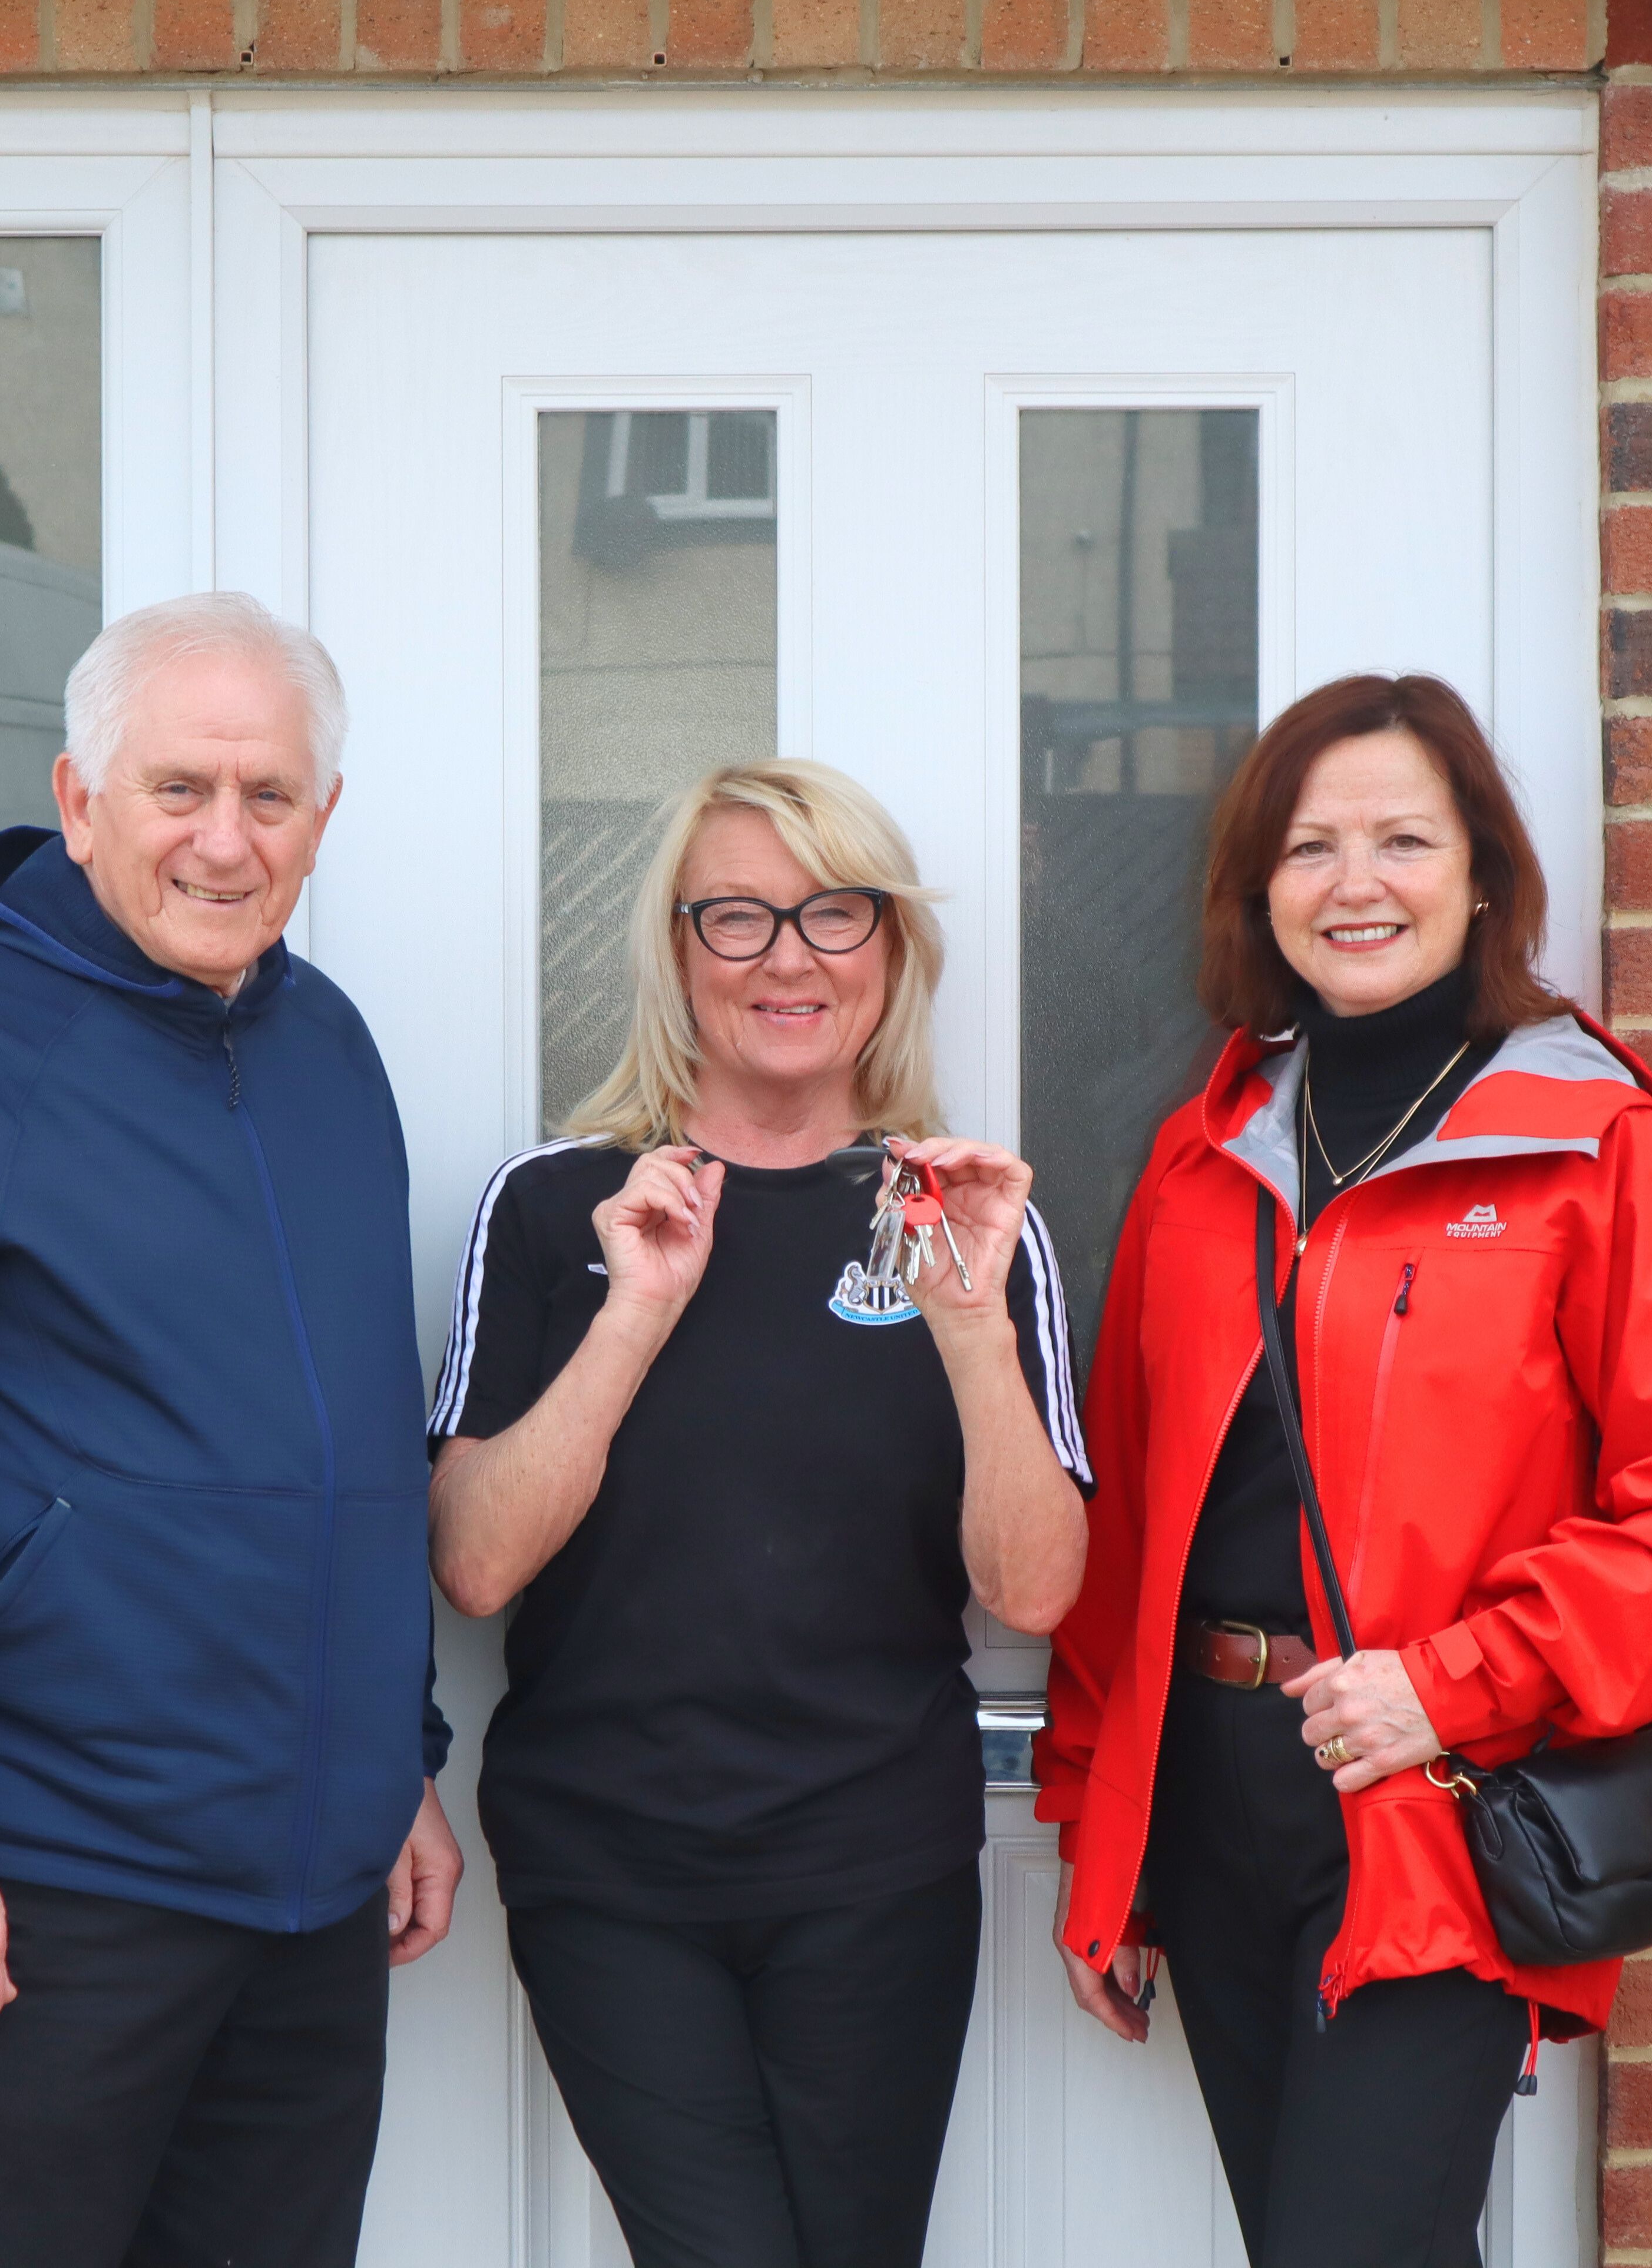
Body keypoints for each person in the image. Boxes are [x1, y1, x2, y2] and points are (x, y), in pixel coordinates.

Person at [1037, 674, 1652, 2268]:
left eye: (1403, 837)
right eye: (1312, 847)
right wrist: (1092, 1830)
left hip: (1435, 1804)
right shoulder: (1205, 1157)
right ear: (1263, 890)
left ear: (1481, 876)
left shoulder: (1601, 1156)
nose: (1357, 881)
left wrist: (1452, 1685)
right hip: (1209, 1803)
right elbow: (1130, 1524)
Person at [0, 592, 462, 2268]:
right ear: (78, 798)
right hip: (37, 1883)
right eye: (178, 789)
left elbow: (349, 1442)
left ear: (323, 818)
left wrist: (391, 1757)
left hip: (308, 1902)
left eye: (269, 797)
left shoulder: (328, 1051)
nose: (225, 839)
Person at [428, 761, 1093, 2268]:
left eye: (833, 912)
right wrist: (635, 1313)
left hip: (877, 1870)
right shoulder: (558, 1207)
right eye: (737, 915)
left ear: (892, 951)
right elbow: (472, 1564)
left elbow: (1036, 1592)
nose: (789, 956)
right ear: (677, 951)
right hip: (613, 1871)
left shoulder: (968, 1215)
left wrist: (971, 1325)